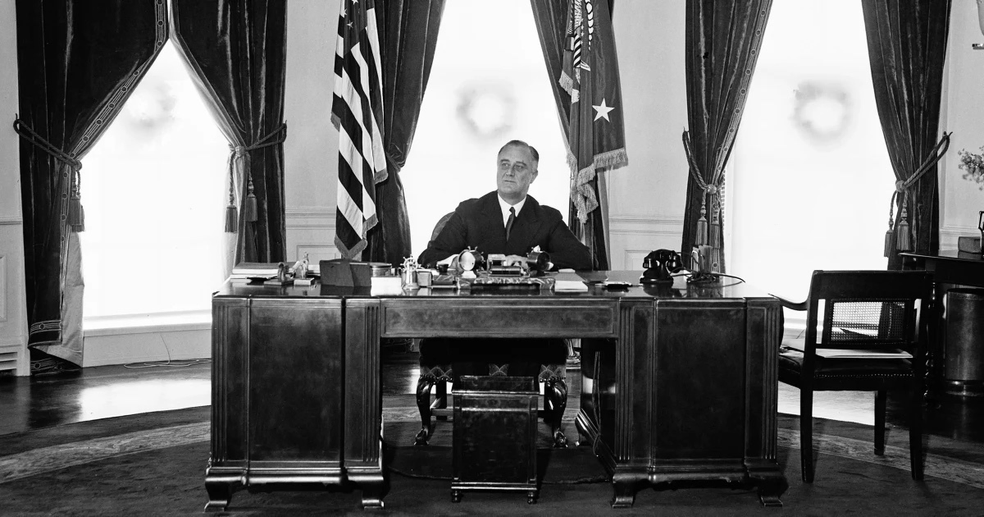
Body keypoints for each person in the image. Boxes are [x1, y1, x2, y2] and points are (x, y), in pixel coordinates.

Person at [413, 139, 591, 448]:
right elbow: (429, 257)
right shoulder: (470, 211)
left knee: (529, 349)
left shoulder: (545, 217)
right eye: (504, 164)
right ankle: (474, 439)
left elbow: (584, 261)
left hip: (527, 326)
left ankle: (515, 441)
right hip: (470, 324)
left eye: (519, 166)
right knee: (467, 350)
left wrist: (539, 261)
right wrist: (459, 261)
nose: (509, 172)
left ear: (533, 175)